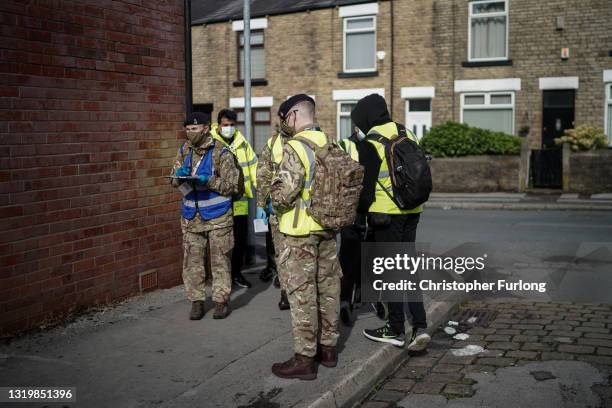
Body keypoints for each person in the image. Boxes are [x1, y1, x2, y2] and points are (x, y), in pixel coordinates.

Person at [350, 94, 431, 351]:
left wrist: (358, 216)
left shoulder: (370, 143)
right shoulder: (405, 132)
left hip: (386, 215)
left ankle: (395, 329)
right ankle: (419, 327)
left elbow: (366, 191)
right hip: (413, 209)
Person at [270, 94, 341, 380]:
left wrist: (273, 193)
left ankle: (304, 359)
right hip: (328, 229)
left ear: (295, 115)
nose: (284, 123)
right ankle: (328, 350)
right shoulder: (331, 143)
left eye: (285, 117)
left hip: (300, 232)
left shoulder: (295, 147)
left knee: (302, 295)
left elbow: (284, 194)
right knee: (328, 289)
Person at [171, 112, 243, 320]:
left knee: (220, 261)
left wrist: (208, 180)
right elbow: (174, 179)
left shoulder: (222, 153)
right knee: (192, 263)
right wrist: (179, 176)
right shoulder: (184, 150)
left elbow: (231, 186)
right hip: (191, 216)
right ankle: (197, 302)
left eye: (194, 129)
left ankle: (221, 302)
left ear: (206, 128)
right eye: (187, 129)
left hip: (218, 218)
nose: (190, 133)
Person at [211, 109, 258, 289]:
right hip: (219, 198)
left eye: (231, 125)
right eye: (225, 125)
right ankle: (222, 278)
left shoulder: (242, 142)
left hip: (240, 199)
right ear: (219, 125)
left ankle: (237, 273)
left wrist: (262, 195)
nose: (229, 128)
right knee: (220, 239)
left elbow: (253, 166)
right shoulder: (212, 143)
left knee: (240, 237)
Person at [256, 101, 293, 311]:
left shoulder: (311, 140)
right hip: (278, 210)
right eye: (282, 117)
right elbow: (263, 175)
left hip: (306, 211)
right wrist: (261, 204)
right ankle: (286, 293)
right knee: (282, 253)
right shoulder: (273, 143)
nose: (285, 121)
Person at [338, 127, 368, 326]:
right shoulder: (344, 145)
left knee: (362, 254)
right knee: (350, 254)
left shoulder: (375, 143)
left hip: (368, 207)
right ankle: (345, 300)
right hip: (352, 208)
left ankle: (357, 294)